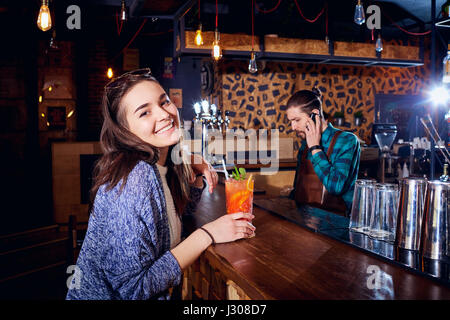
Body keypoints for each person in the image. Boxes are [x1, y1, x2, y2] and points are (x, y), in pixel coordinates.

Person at [66, 68, 255, 300]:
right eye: (144, 113)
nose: (164, 114)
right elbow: (134, 289)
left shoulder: (158, 166)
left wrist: (193, 176)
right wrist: (208, 234)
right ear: (125, 131)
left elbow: (172, 222)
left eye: (164, 102)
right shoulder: (134, 179)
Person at [286, 87, 360, 216]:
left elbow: (336, 187)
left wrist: (315, 148)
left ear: (315, 113)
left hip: (336, 224)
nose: (293, 127)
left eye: (297, 120)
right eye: (291, 121)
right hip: (304, 220)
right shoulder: (304, 144)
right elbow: (297, 189)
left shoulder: (346, 140)